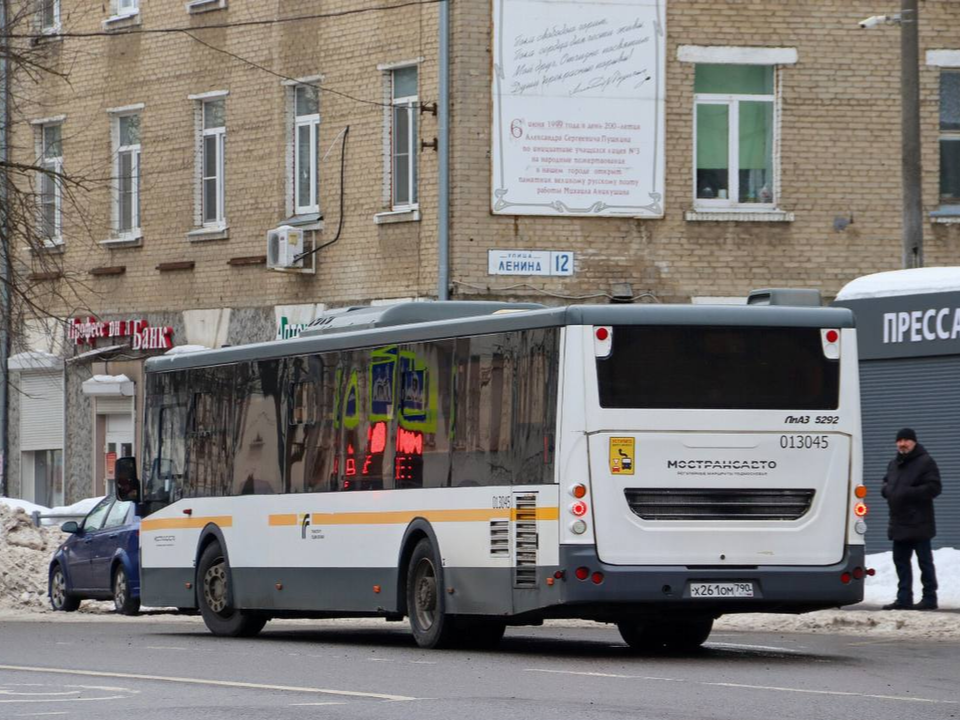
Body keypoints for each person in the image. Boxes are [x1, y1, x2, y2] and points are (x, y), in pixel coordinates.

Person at [880, 428, 942, 610]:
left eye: (906, 440)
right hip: (899, 522)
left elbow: (934, 487)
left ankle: (930, 598)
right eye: (899, 440)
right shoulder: (894, 464)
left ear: (914, 442)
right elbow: (886, 483)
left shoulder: (925, 462)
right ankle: (903, 598)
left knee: (924, 562)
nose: (902, 444)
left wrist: (907, 493)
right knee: (900, 562)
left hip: (919, 522)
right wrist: (887, 491)